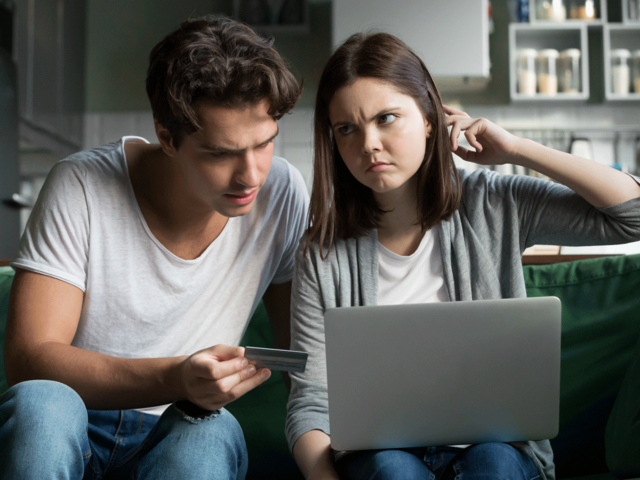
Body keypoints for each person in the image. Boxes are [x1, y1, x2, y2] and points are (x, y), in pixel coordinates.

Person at [285, 32, 640, 480]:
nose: (368, 143)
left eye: (387, 118)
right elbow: (311, 398)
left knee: (492, 461)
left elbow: (633, 215)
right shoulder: (322, 251)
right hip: (381, 459)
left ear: (430, 118)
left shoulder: (492, 202)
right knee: (394, 470)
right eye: (347, 129)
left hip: (496, 450)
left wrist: (516, 149)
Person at [0, 16, 308, 480]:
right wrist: (174, 377)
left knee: (209, 430)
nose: (251, 176)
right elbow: (29, 358)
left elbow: (299, 356)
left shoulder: (281, 192)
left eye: (264, 144)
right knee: (42, 404)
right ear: (167, 137)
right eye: (221, 154)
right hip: (77, 421)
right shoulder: (82, 183)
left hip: (181, 429)